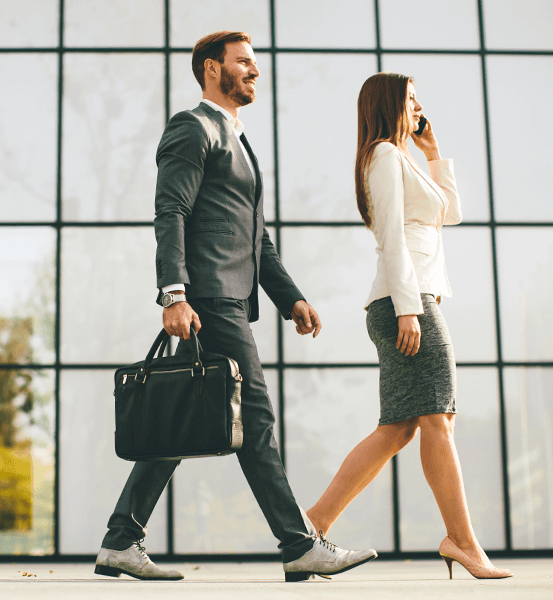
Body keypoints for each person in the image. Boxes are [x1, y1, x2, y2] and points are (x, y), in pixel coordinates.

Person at [94, 31, 377, 583]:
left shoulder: (239, 141)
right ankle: (299, 545)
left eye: (254, 62)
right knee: (255, 416)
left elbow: (257, 240)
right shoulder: (192, 128)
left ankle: (120, 540)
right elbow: (170, 211)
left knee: (182, 420)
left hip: (226, 298)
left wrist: (289, 296)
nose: (253, 70)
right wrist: (173, 293)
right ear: (210, 69)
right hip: (208, 297)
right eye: (242, 62)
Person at [303, 72, 511, 580]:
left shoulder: (403, 158)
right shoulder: (383, 156)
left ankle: (311, 523)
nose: (420, 106)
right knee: (437, 418)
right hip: (407, 299)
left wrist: (434, 149)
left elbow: (452, 213)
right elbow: (393, 236)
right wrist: (408, 309)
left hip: (410, 297)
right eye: (412, 98)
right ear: (391, 103)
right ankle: (461, 540)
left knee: (399, 428)